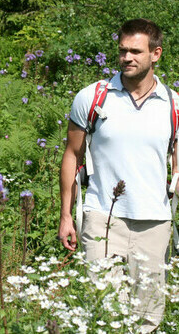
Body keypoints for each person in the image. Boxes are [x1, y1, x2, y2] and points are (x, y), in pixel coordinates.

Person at [58, 18, 179, 332]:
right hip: (102, 218)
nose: (127, 57)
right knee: (105, 308)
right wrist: (66, 216)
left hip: (155, 222)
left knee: (148, 316)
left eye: (136, 51)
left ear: (156, 54)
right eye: (123, 51)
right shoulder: (93, 97)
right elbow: (72, 155)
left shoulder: (173, 105)